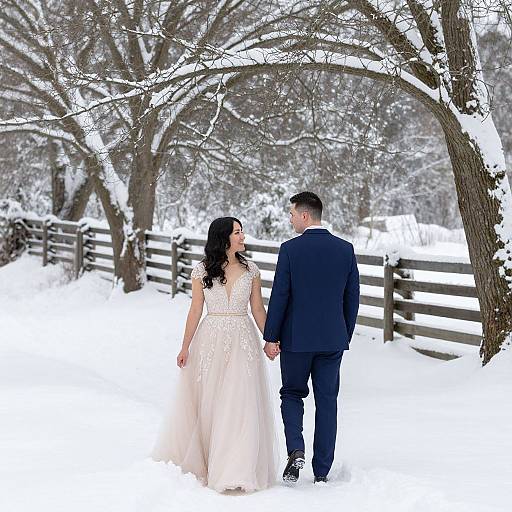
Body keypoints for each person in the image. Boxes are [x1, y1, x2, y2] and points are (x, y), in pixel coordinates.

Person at [151, 217, 278, 492]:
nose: (243, 236)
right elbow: (195, 309)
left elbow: (258, 309)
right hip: (210, 340)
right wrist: (185, 347)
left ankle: (237, 468)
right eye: (237, 232)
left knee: (241, 402)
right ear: (224, 237)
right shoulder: (201, 270)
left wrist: (270, 340)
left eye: (242, 231)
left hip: (244, 339)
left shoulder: (251, 269)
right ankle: (210, 463)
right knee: (213, 403)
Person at [263, 191, 360, 484]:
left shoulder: (290, 250)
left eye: (292, 214)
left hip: (296, 340)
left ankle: (296, 450)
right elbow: (352, 297)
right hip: (332, 339)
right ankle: (321, 472)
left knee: (292, 393)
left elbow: (281, 295)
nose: (290, 219)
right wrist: (343, 334)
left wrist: (271, 336)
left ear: (305, 215)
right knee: (327, 401)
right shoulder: (345, 249)